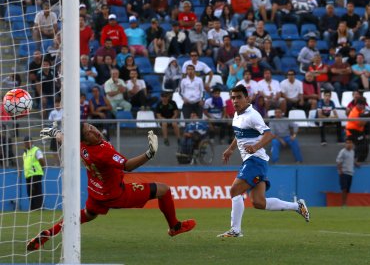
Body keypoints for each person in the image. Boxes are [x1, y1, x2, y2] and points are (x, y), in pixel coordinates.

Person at [26, 124, 196, 251]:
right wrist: (149, 154)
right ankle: (175, 227)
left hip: (96, 192)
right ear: (85, 139)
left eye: (91, 127)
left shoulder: (80, 145)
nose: (94, 131)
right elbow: (127, 166)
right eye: (89, 133)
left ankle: (48, 233)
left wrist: (54, 132)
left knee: (87, 215)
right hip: (116, 194)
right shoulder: (101, 152)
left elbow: (64, 138)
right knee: (163, 190)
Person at [217, 84, 309, 238]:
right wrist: (231, 149)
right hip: (253, 161)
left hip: (255, 160)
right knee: (259, 203)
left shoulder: (253, 115)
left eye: (239, 97)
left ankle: (235, 230)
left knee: (234, 191)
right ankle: (297, 206)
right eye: (233, 97)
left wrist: (256, 146)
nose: (235, 101)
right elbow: (239, 134)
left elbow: (268, 134)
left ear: (247, 98)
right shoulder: (237, 114)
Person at [22, 136, 45, 210]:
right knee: (30, 193)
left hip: (36, 174)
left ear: (31, 142)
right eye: (25, 143)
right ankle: (33, 208)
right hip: (28, 175)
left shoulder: (36, 150)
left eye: (28, 142)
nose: (27, 144)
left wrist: (42, 167)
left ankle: (39, 208)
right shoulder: (25, 153)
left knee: (37, 192)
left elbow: (41, 159)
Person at [336, 138, 356, 206]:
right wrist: (340, 171)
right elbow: (338, 161)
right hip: (344, 172)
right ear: (345, 144)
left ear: (352, 144)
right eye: (347, 143)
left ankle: (345, 203)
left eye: (350, 143)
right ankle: (343, 203)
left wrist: (356, 163)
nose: (349, 144)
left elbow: (352, 160)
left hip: (350, 173)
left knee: (347, 189)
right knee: (344, 188)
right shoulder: (343, 152)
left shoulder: (352, 152)